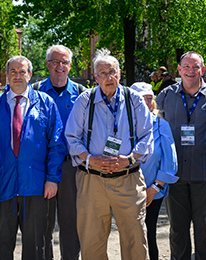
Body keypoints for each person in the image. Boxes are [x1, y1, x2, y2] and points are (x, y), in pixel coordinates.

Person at [65, 49, 155, 260]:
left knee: (135, 241)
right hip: (92, 182)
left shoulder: (134, 100)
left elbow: (148, 136)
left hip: (128, 179)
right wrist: (89, 159)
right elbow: (71, 137)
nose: (108, 77)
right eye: (102, 73)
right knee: (92, 242)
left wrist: (130, 159)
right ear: (95, 77)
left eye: (112, 71)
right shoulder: (84, 101)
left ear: (120, 73)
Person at [0, 56, 64, 260]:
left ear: (30, 74)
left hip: (35, 187)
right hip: (1, 186)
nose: (18, 76)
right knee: (1, 246)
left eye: (22, 71)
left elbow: (57, 144)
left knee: (35, 248)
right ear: (6, 75)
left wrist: (52, 178)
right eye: (13, 72)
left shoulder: (45, 104)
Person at [156, 51, 206, 260]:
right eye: (186, 66)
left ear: (202, 70)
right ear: (179, 70)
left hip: (204, 174)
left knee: (204, 231)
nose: (190, 71)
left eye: (195, 67)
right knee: (177, 230)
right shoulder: (166, 96)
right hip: (174, 174)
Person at [34, 45, 86, 260]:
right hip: (41, 166)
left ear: (70, 65)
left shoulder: (82, 94)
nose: (60, 66)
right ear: (48, 64)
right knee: (42, 222)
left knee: (70, 221)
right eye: (55, 62)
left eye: (64, 62)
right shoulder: (34, 91)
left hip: (70, 166)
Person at [132, 82, 179, 260]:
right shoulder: (124, 124)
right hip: (126, 190)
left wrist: (155, 188)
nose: (146, 102)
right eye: (141, 98)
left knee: (148, 232)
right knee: (131, 234)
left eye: (149, 98)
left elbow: (170, 161)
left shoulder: (161, 125)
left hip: (154, 191)